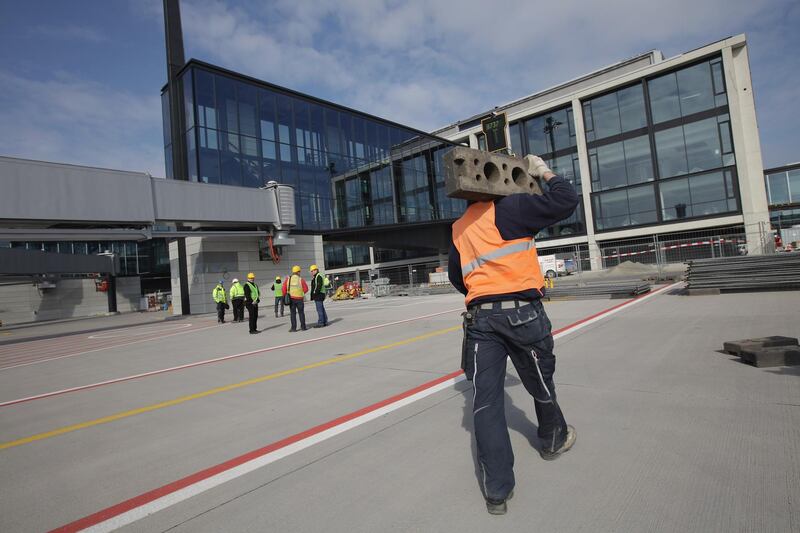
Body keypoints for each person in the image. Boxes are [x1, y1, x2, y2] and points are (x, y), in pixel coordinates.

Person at [448, 154, 579, 515]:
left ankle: (497, 491)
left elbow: (458, 279)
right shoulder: (512, 209)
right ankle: (553, 440)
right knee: (539, 381)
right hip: (522, 314)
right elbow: (567, 200)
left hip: (480, 321)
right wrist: (544, 171)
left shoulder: (459, 228)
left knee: (486, 405)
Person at [283, 265, 308, 332]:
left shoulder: (288, 279)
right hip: (299, 299)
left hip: (291, 299)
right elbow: (306, 289)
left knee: (293, 314)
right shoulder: (301, 279)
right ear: (298, 272)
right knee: (301, 313)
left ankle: (293, 328)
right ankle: (303, 327)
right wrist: (301, 293)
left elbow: (283, 289)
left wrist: (286, 295)